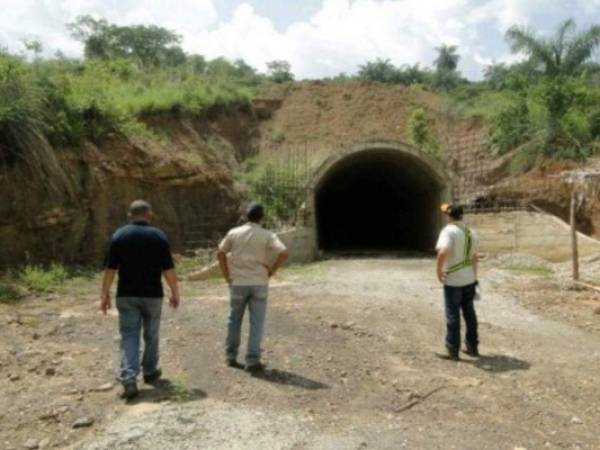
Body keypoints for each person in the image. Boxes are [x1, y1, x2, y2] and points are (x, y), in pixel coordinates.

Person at [100, 200, 180, 399]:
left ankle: (128, 378)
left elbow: (110, 269)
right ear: (149, 214)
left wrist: (104, 294)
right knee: (151, 333)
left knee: (129, 335)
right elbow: (168, 269)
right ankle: (150, 371)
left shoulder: (119, 235)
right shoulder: (158, 236)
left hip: (126, 294)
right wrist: (174, 291)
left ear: (130, 215)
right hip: (152, 295)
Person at [217, 202, 289, 373]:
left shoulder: (233, 233)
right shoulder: (267, 235)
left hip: (238, 283)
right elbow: (284, 252)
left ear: (245, 216)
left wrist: (227, 275)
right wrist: (271, 270)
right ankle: (253, 360)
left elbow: (220, 252)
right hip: (259, 283)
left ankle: (230, 356)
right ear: (261, 217)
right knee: (257, 322)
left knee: (234, 319)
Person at [435, 203, 479, 360]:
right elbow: (474, 257)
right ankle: (472, 346)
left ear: (448, 215)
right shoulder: (470, 232)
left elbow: (443, 251)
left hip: (453, 280)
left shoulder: (449, 231)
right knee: (469, 313)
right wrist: (474, 277)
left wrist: (439, 271)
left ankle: (452, 349)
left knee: (452, 314)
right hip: (469, 278)